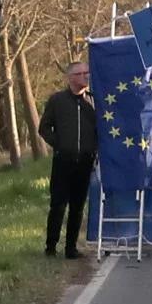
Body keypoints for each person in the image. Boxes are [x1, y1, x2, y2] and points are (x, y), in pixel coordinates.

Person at [38, 62, 98, 259]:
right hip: (64, 161)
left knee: (78, 206)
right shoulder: (57, 101)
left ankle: (71, 248)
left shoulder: (93, 101)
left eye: (86, 73)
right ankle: (51, 246)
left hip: (85, 161)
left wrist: (94, 148)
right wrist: (60, 144)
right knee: (58, 205)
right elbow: (44, 128)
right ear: (70, 77)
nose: (84, 77)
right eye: (80, 74)